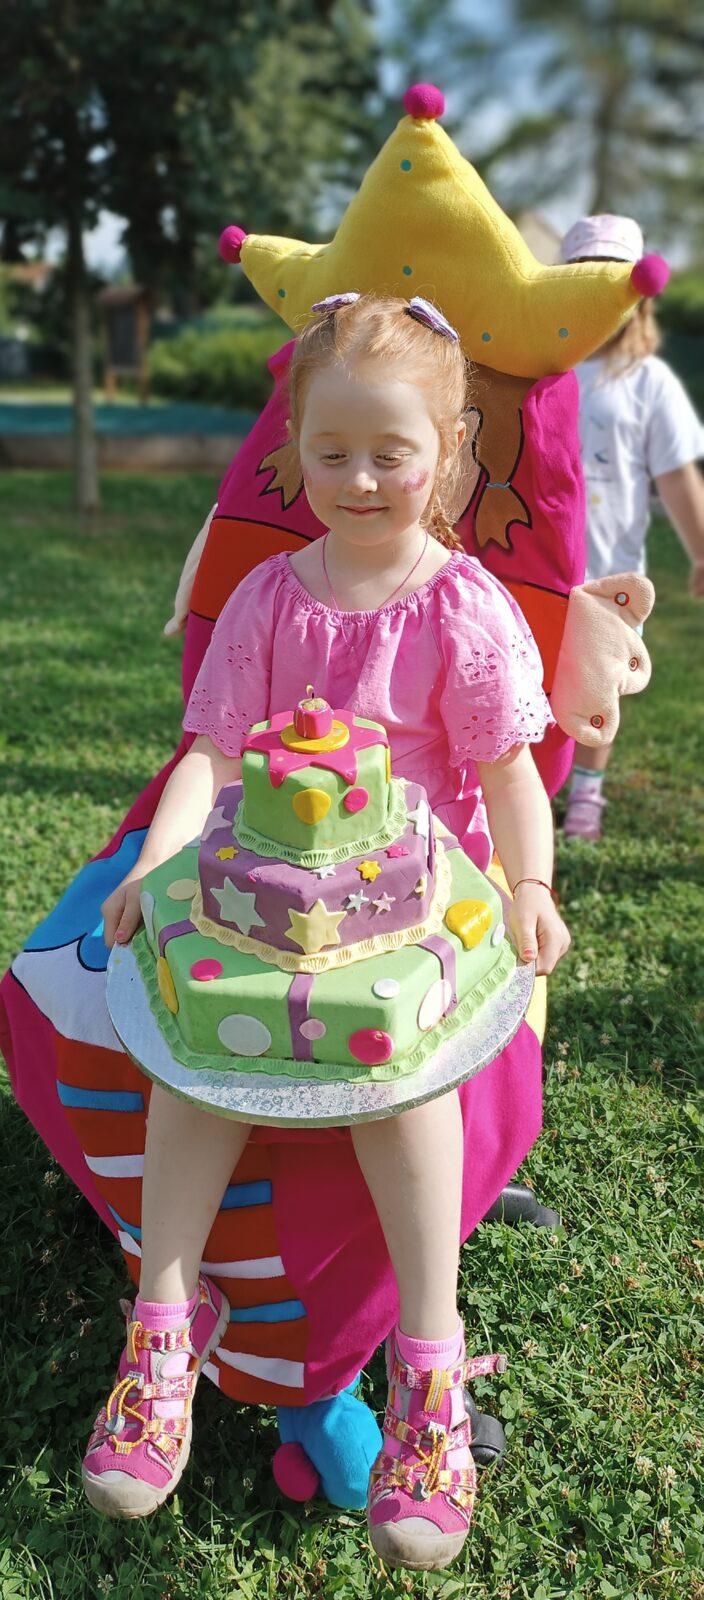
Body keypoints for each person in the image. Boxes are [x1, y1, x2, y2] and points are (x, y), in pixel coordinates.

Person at [87, 293, 570, 1570]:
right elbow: (210, 754)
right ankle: (163, 1329)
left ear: (450, 452)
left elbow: (512, 775)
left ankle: (428, 1368)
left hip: (416, 911)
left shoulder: (461, 607)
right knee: (192, 1052)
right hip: (261, 892)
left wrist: (529, 883)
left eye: (391, 451)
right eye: (334, 450)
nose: (361, 478)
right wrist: (158, 862)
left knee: (404, 1081)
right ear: (295, 449)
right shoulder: (267, 598)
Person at [560, 214, 704, 841]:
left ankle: (586, 793)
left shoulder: (648, 380)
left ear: (639, 294)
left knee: (599, 686)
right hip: (540, 564)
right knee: (527, 678)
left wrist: (701, 552)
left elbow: (676, 475)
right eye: (587, 277)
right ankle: (526, 785)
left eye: (615, 279)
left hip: (611, 571)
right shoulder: (540, 363)